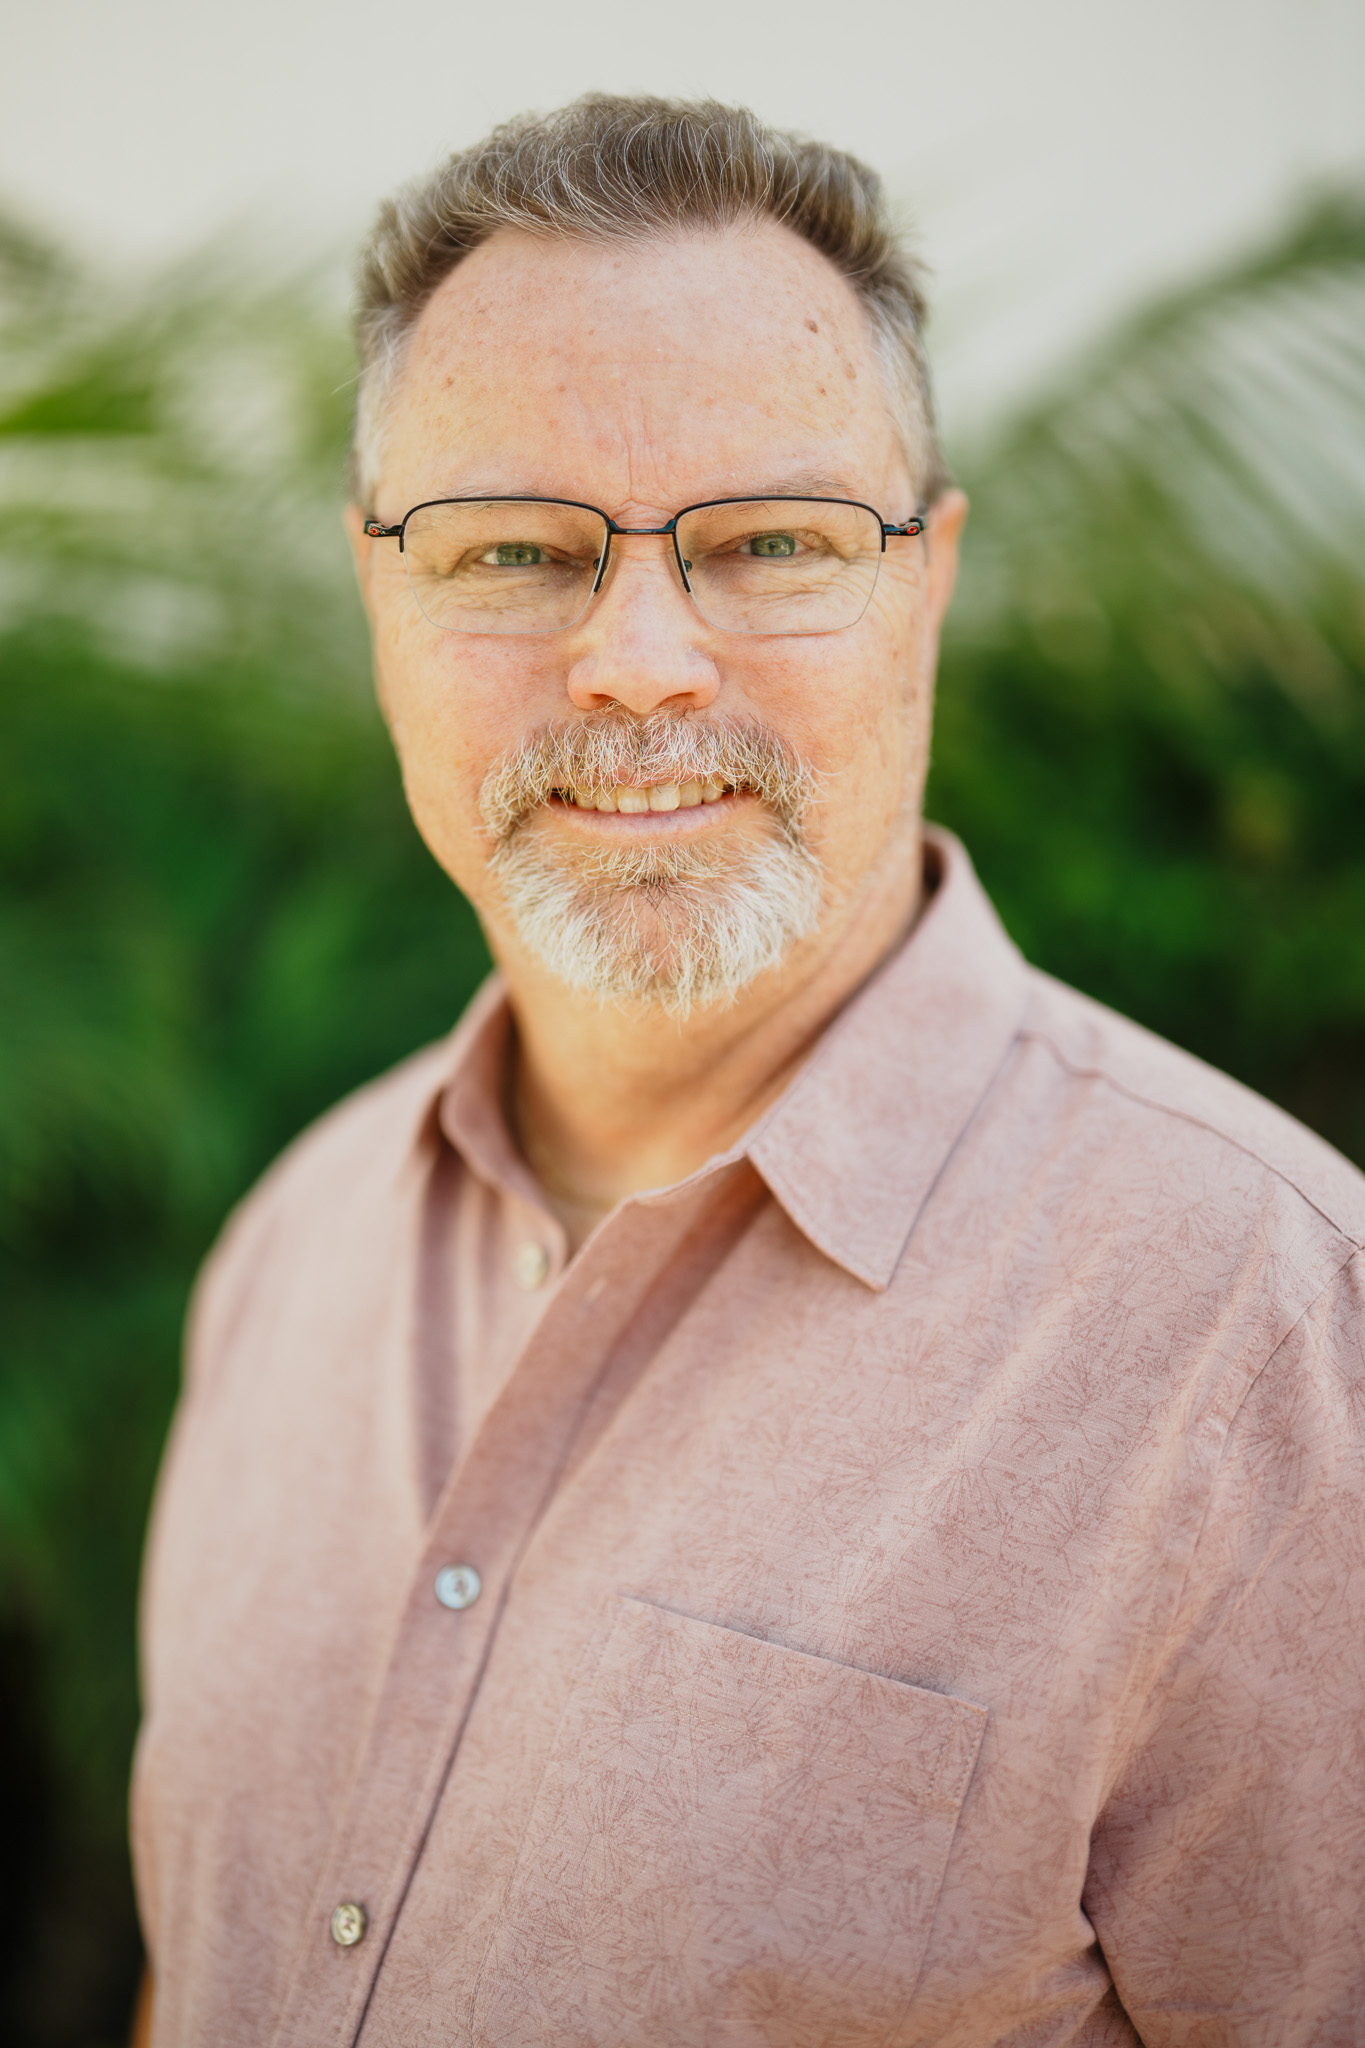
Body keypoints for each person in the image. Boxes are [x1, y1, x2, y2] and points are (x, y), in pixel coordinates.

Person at [130, 96, 1365, 2047]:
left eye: (771, 539)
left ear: (925, 579)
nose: (635, 660)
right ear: (377, 591)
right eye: (511, 549)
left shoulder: (1276, 1339)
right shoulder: (287, 1254)